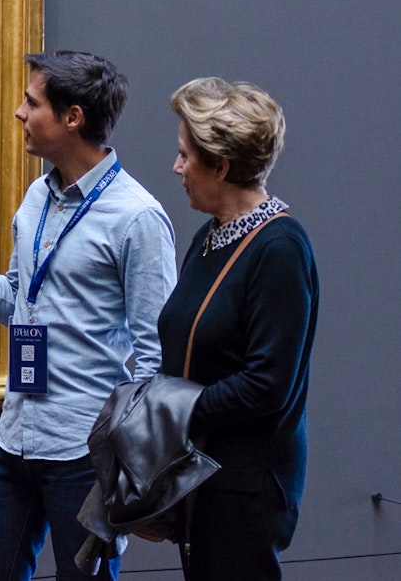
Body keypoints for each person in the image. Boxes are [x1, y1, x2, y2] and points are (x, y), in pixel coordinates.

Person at [0, 50, 177, 580]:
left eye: (32, 102)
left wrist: (127, 472)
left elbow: (154, 357)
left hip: (84, 455)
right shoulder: (36, 198)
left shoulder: (138, 218)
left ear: (72, 117)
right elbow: (15, 302)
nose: (18, 114)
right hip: (16, 437)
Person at [158, 77, 318, 580]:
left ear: (221, 166)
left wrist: (172, 409)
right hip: (202, 475)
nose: (177, 167)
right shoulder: (210, 237)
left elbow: (268, 384)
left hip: (245, 488)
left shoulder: (281, 248)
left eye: (186, 155)